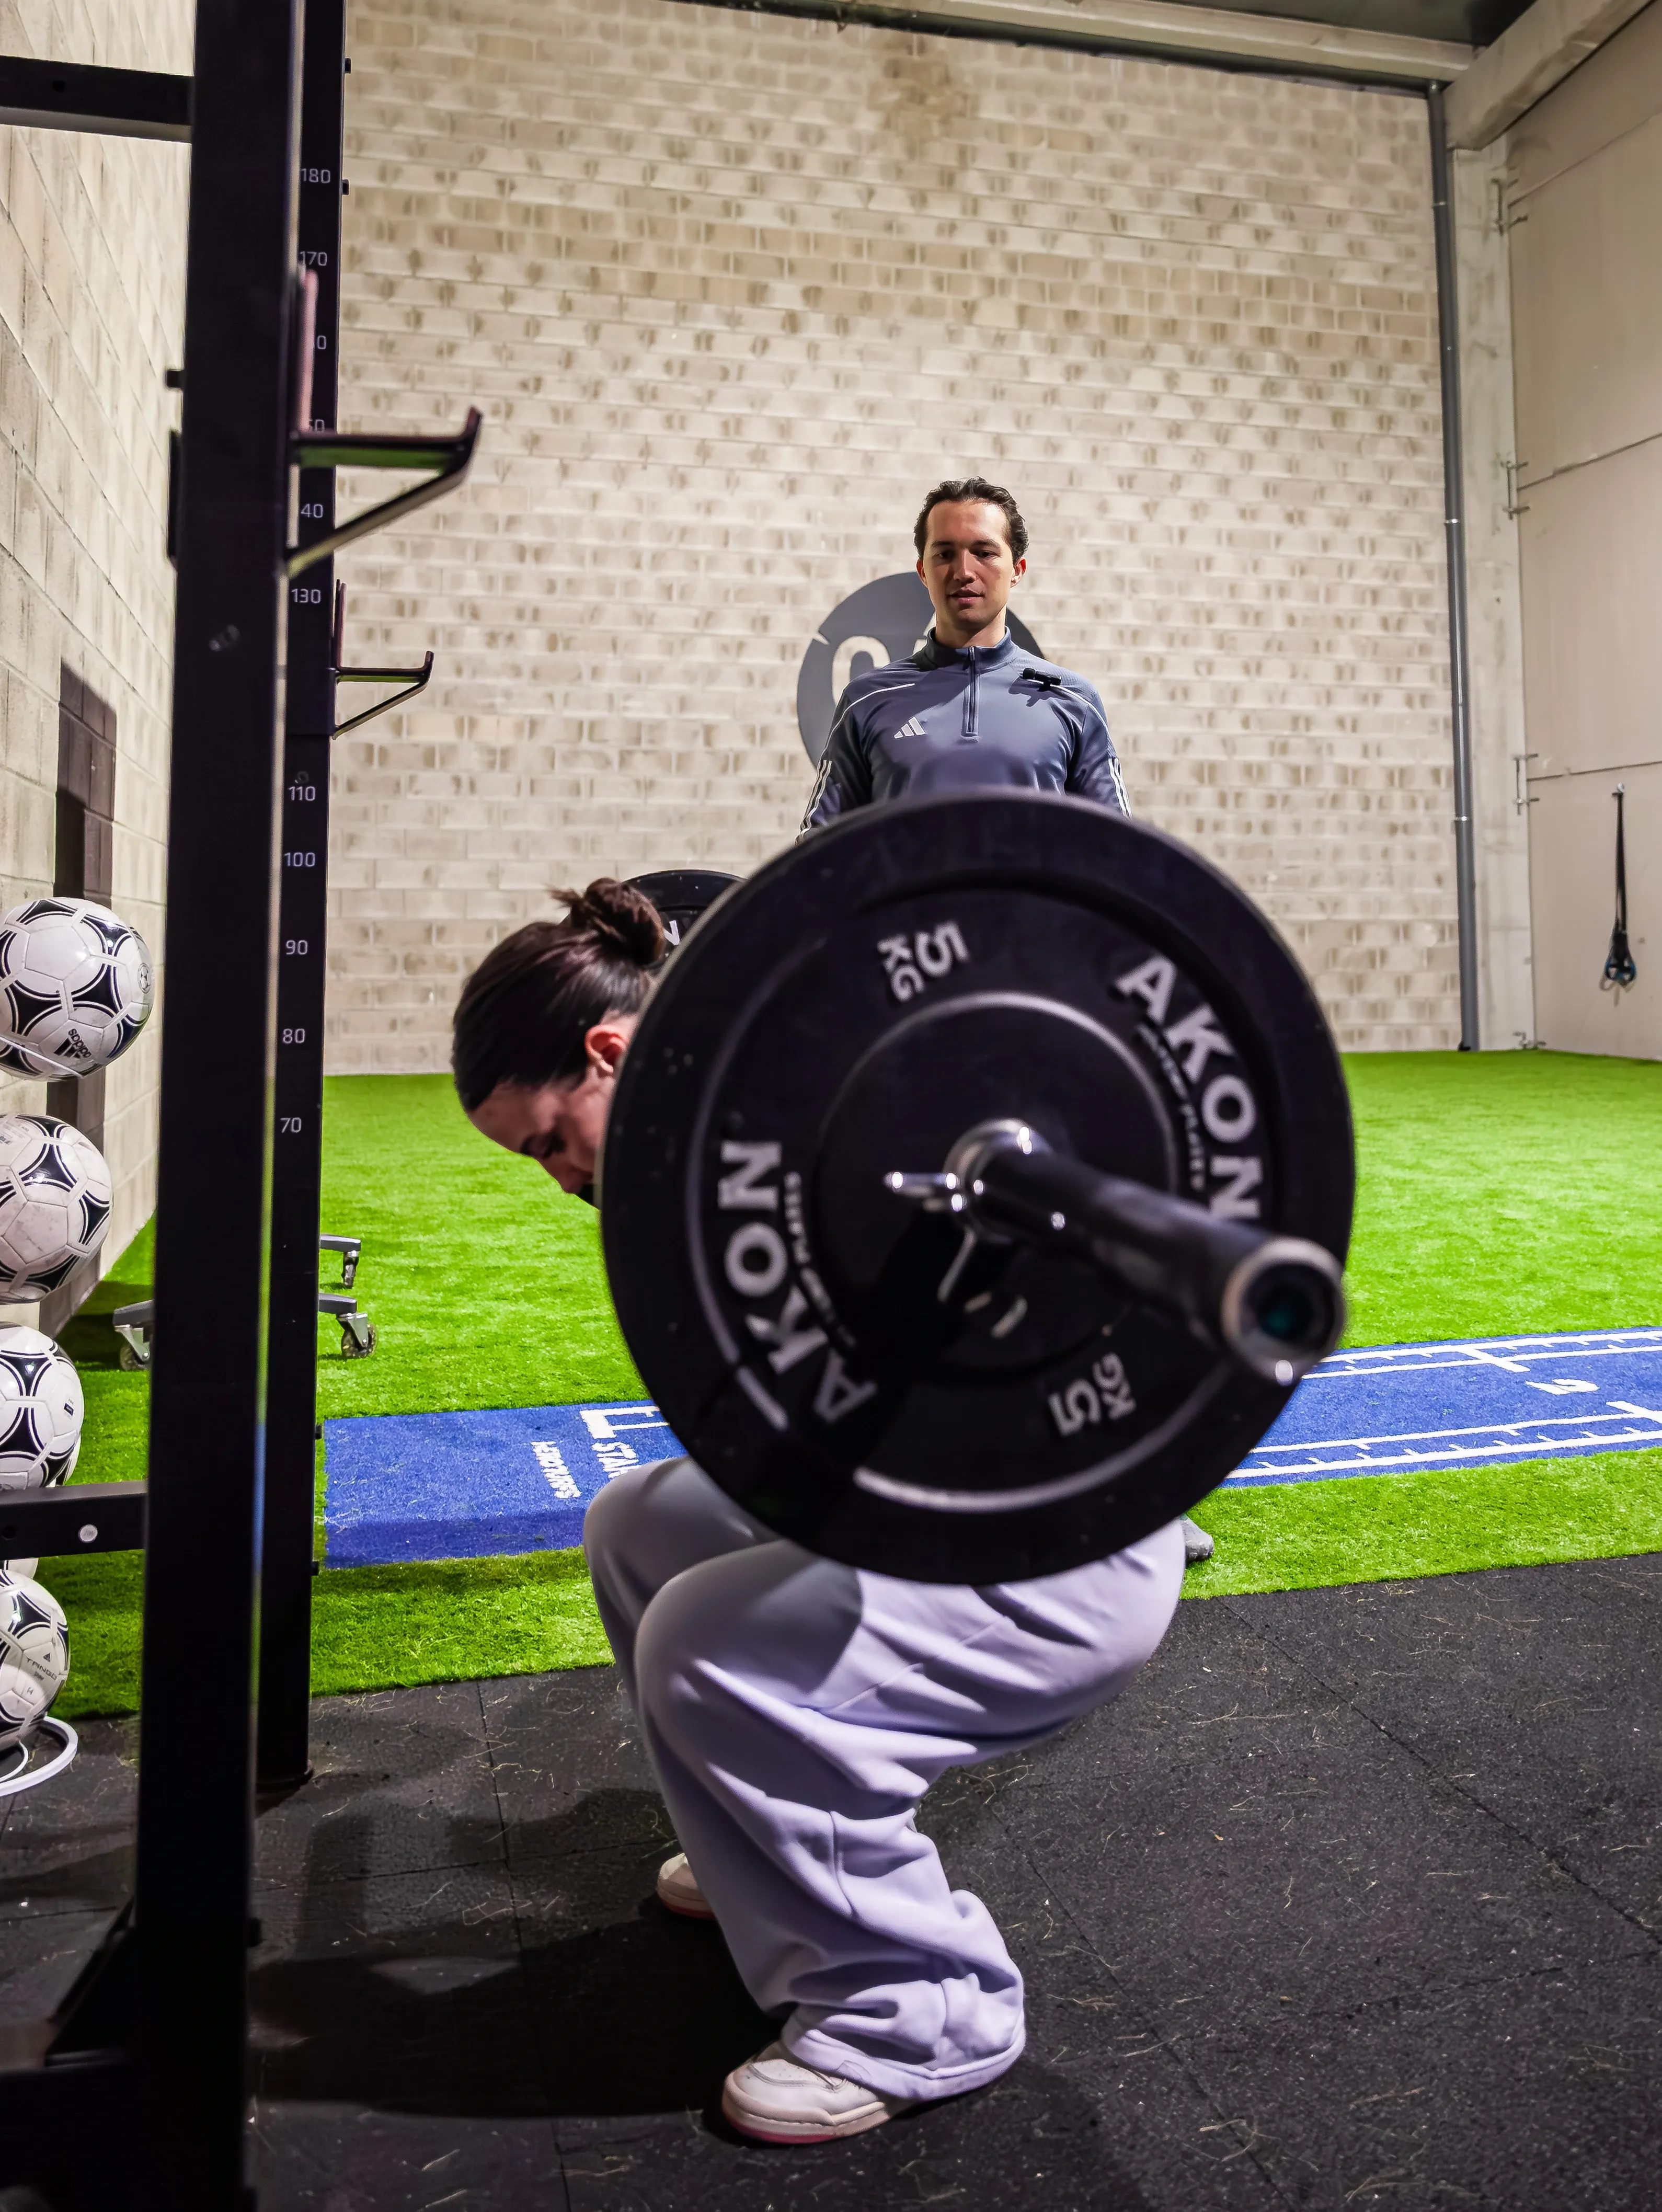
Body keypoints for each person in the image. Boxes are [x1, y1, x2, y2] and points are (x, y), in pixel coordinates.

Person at [452, 882, 1186, 2145]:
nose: (558, 1176)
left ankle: (920, 2010)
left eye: (546, 1141)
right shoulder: (729, 1137)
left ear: (609, 1052)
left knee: (708, 1649)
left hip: (1058, 1541)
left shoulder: (835, 1116)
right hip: (934, 1494)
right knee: (638, 1530)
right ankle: (760, 1863)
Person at [802, 477, 1216, 1569]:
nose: (964, 569)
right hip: (909, 1023)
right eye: (944, 552)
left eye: (983, 550)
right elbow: (817, 857)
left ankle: (1138, 1490)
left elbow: (1114, 859)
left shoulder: (1069, 701)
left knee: (1079, 1244)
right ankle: (892, 1468)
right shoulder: (871, 704)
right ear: (921, 568)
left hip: (1044, 1019)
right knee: (901, 1240)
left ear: (1016, 567)